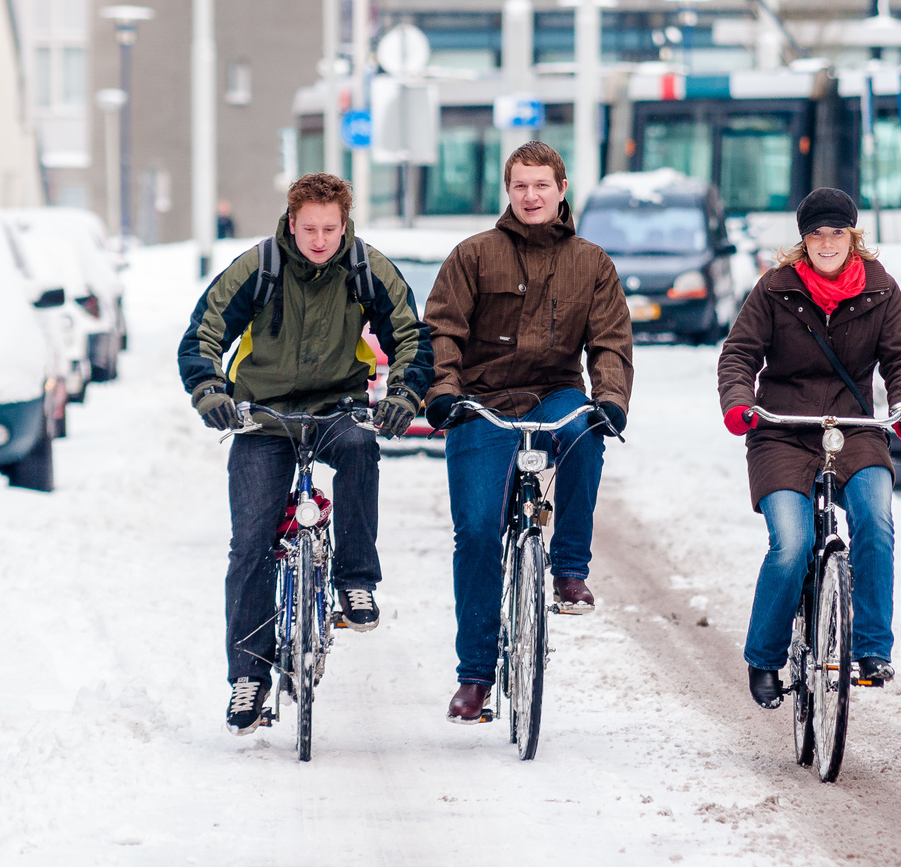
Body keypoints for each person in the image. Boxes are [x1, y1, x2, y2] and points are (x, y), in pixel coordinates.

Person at [178, 172, 433, 734]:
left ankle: (355, 579)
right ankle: (249, 676)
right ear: (291, 223)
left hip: (338, 408)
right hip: (263, 417)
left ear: (345, 227)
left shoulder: (367, 268)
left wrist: (404, 395)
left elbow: (411, 336)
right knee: (250, 544)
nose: (320, 240)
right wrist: (210, 390)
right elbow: (204, 332)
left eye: (331, 229)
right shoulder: (259, 266)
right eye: (309, 228)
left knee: (362, 450)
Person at [422, 141, 633, 724]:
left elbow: (611, 341)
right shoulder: (473, 255)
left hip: (553, 394)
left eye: (542, 185)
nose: (531, 196)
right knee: (478, 533)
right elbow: (441, 331)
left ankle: (568, 569)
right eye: (520, 186)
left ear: (562, 190)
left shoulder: (591, 262)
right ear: (508, 192)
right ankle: (476, 675)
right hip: (481, 401)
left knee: (585, 430)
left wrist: (609, 400)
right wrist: (444, 393)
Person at [716, 187, 901, 709]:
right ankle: (764, 658)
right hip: (782, 429)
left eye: (837, 233)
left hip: (854, 428)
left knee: (875, 523)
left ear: (852, 236)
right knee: (789, 545)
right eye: (816, 234)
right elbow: (739, 354)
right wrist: (740, 403)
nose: (826, 243)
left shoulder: (881, 290)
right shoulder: (773, 289)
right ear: (802, 239)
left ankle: (873, 649)